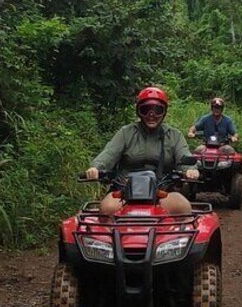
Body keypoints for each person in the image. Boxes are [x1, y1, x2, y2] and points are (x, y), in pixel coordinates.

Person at [85, 86, 199, 215]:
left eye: (157, 110)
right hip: (125, 190)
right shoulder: (126, 133)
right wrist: (96, 168)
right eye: (146, 110)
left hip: (163, 190)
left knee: (182, 207)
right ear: (139, 112)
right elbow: (109, 153)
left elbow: (184, 155)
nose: (152, 115)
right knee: (107, 209)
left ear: (164, 112)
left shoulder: (174, 135)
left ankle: (177, 235)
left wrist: (190, 170)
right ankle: (112, 235)